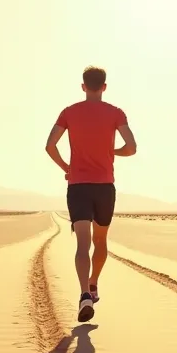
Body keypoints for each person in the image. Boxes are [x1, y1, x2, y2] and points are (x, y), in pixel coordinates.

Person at [45, 66, 137, 322]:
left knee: (82, 244)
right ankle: (94, 282)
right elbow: (131, 148)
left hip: (78, 186)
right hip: (104, 187)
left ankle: (85, 293)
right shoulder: (116, 113)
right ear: (104, 87)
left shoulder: (69, 112)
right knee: (101, 241)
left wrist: (66, 167)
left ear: (83, 86)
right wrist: (111, 151)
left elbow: (50, 145)